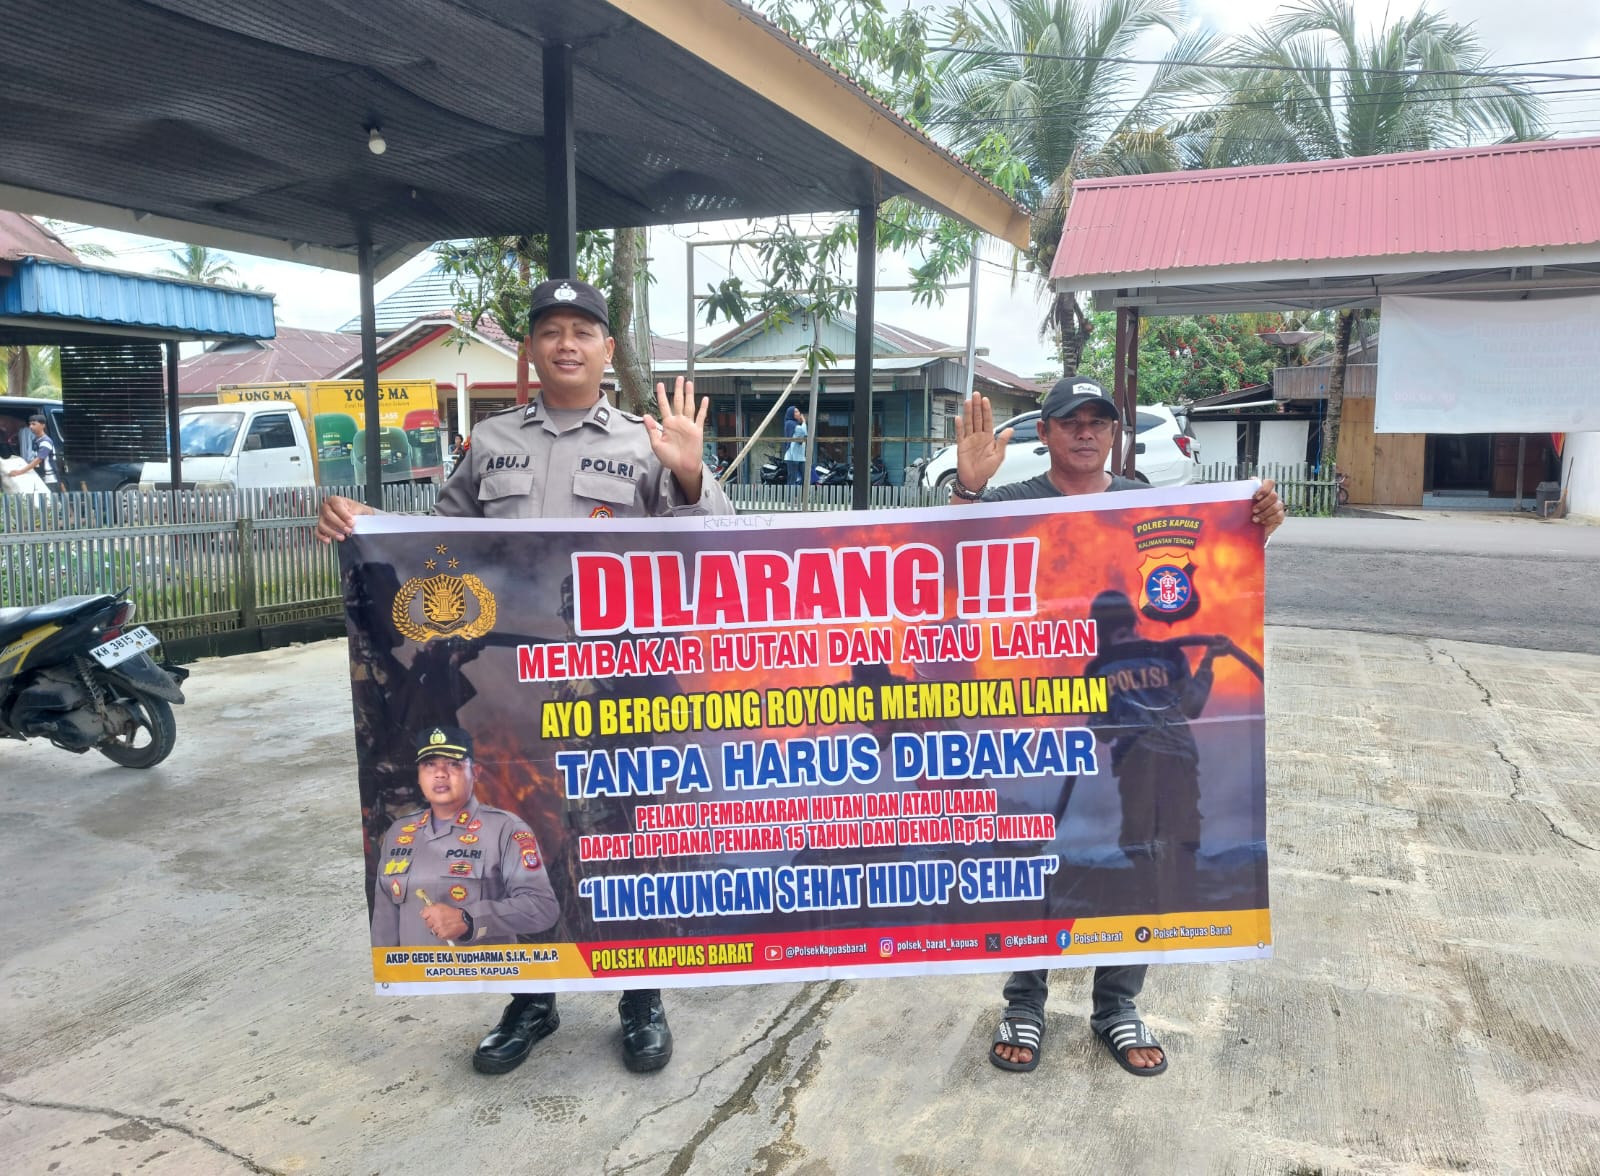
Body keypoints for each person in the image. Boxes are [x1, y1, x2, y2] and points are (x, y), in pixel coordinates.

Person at [318, 277, 734, 1076]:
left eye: (583, 331)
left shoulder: (647, 443)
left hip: (618, 688)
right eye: (550, 331)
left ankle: (640, 995)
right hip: (514, 693)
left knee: (621, 836)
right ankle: (530, 997)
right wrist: (367, 527)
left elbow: (713, 548)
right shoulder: (490, 442)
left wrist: (688, 477)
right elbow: (434, 551)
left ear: (608, 349)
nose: (566, 344)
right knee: (521, 835)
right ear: (532, 348)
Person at [948, 376, 1285, 1079]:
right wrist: (968, 491)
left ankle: (1117, 1004)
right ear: (1045, 433)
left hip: (1167, 763)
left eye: (1099, 421)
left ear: (1113, 433)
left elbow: (1191, 691)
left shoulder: (1145, 502)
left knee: (1156, 860)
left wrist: (1253, 521)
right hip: (1053, 725)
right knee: (1039, 853)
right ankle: (1025, 1001)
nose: (1085, 432)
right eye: (1070, 421)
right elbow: (950, 560)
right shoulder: (1015, 502)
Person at [372, 726, 561, 951]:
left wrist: (470, 920)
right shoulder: (399, 832)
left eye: (453, 764)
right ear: (419, 776)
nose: (440, 773)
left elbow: (543, 907)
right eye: (429, 764)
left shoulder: (505, 828)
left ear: (476, 772)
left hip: (482, 972)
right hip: (415, 973)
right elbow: (384, 927)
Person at [3, 415, 63, 494]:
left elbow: (38, 459)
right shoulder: (36, 440)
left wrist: (20, 471)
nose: (31, 427)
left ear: (42, 425)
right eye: (30, 424)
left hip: (50, 478)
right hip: (41, 476)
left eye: (34, 424)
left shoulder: (46, 441)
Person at [784, 407, 807, 485]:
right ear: (791, 414)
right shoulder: (790, 423)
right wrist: (804, 422)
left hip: (800, 455)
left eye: (798, 411)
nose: (799, 413)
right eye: (796, 412)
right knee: (792, 477)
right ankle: (790, 492)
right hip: (792, 456)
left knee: (805, 477)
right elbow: (803, 432)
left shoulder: (795, 424)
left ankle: (801, 492)